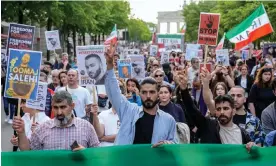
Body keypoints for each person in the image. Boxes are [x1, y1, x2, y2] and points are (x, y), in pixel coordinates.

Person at [104, 44, 177, 146]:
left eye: (152, 92)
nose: (148, 96)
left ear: (158, 94)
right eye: (144, 92)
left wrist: (167, 144)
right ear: (139, 93)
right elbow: (113, 92)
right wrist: (110, 65)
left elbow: (175, 146)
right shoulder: (128, 111)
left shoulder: (169, 120)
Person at [175, 69, 254, 151]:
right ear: (215, 111)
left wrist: (253, 147)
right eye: (219, 109)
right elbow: (192, 109)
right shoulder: (208, 125)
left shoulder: (242, 133)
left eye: (226, 108)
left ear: (233, 111)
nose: (222, 112)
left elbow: (252, 155)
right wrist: (184, 90)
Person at [12, 91, 100, 151]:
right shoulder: (43, 128)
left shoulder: (86, 127)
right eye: (55, 107)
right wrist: (21, 133)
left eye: (63, 107)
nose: (59, 112)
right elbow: (28, 150)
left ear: (72, 106)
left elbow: (97, 154)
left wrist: (85, 152)